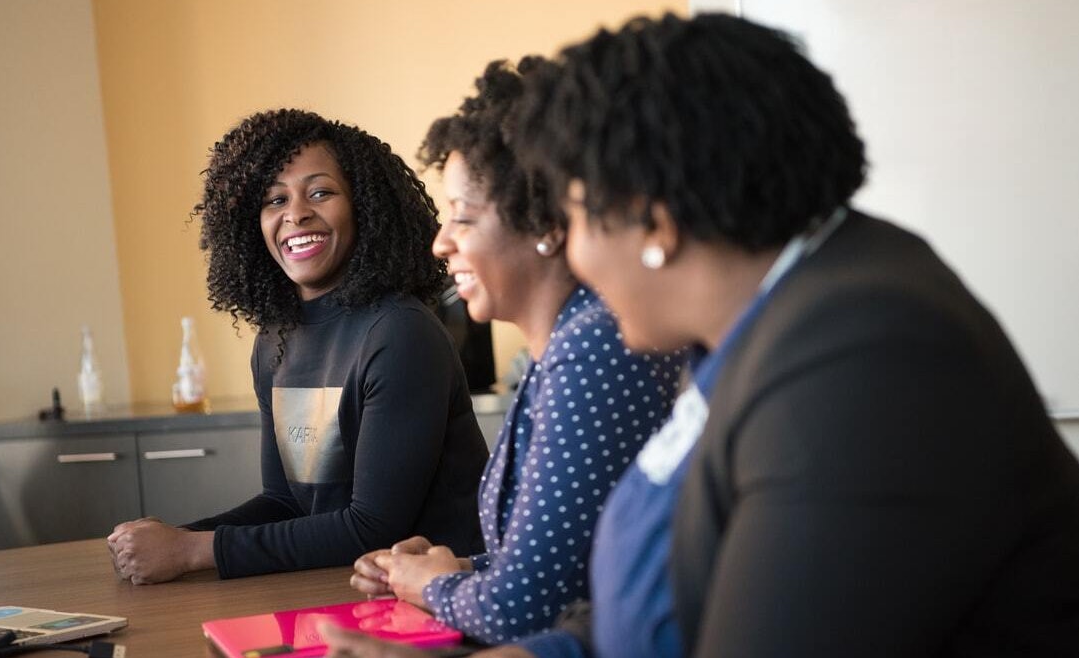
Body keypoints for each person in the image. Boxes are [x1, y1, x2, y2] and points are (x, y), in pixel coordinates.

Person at [324, 12, 1079, 658]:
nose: (575, 255)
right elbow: (663, 603)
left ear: (652, 221)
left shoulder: (865, 357)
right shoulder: (766, 323)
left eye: (578, 218)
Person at [347, 57, 683, 645]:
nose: (440, 242)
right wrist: (446, 570)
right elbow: (563, 568)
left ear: (545, 224)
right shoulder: (562, 347)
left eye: (463, 218)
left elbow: (522, 611)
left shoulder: (593, 349)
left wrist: (430, 587)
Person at [107, 109, 489, 584]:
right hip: (335, 587)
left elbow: (371, 527)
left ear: (364, 208)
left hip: (440, 601)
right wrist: (174, 538)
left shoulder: (400, 332)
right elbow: (285, 503)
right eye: (274, 200)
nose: (295, 213)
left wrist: (191, 550)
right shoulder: (275, 340)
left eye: (321, 192)